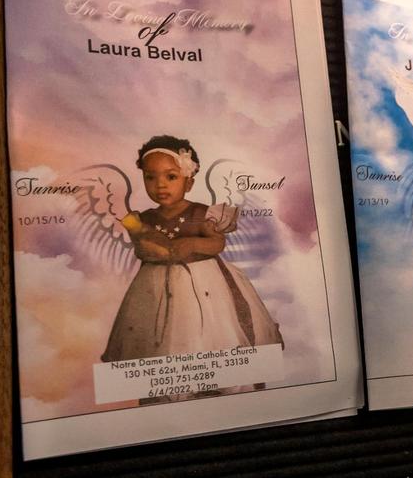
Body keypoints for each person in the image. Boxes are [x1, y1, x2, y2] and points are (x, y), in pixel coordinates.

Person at [102, 135, 282, 372]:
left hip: (203, 284)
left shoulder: (201, 214)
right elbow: (142, 247)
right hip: (154, 285)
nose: (160, 185)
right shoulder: (144, 218)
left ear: (189, 183)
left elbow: (217, 243)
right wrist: (142, 236)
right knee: (161, 335)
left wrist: (194, 244)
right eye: (150, 177)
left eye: (171, 177)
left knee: (202, 330)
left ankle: (207, 379)